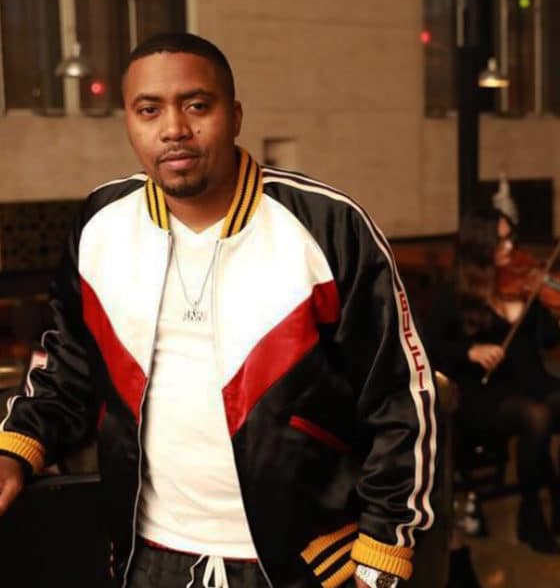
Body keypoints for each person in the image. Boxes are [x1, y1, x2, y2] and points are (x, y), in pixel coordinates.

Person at [0, 32, 437, 588]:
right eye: (149, 110)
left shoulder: (328, 226)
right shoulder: (100, 225)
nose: (174, 128)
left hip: (307, 560)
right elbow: (68, 371)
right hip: (147, 557)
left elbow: (400, 397)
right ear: (129, 122)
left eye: (197, 105)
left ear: (234, 116)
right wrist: (16, 450)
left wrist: (384, 549)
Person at [425, 207, 560, 554]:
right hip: (482, 393)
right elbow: (429, 347)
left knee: (548, 406)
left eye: (510, 237)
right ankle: (531, 515)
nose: (510, 246)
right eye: (500, 241)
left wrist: (542, 307)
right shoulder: (455, 294)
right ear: (480, 244)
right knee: (536, 417)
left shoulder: (525, 285)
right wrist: (469, 351)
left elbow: (547, 341)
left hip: (531, 383)